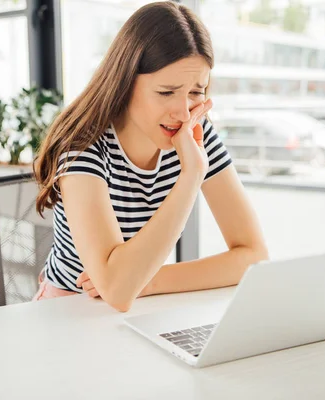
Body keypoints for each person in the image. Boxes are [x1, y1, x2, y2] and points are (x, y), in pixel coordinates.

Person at [33, 1, 268, 311]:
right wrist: (191, 177)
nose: (183, 112)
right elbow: (118, 291)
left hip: (144, 305)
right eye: (166, 91)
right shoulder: (83, 147)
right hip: (67, 310)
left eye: (196, 92)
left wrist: (148, 279)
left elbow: (253, 255)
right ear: (126, 82)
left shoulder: (195, 134)